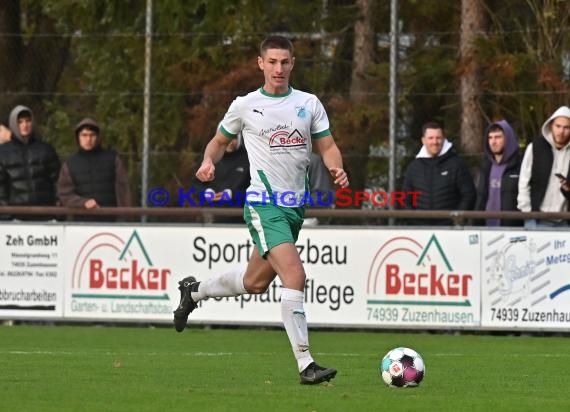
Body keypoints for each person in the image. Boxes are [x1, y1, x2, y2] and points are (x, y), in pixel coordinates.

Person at [173, 35, 348, 385]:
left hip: (295, 208)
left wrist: (335, 166)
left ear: (293, 64)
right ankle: (306, 364)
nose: (279, 68)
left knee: (253, 283)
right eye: (272, 62)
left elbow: (327, 145)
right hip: (264, 204)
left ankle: (194, 291)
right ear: (260, 63)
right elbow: (219, 141)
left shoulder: (308, 103)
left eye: (285, 62)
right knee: (295, 277)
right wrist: (208, 160)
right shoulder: (245, 105)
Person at [401, 121, 476, 225]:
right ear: (423, 140)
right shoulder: (413, 167)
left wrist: (456, 219)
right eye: (431, 138)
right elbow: (405, 199)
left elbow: (469, 195)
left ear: (443, 139)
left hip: (449, 230)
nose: (435, 142)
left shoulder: (457, 164)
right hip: (419, 230)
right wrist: (414, 221)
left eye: (438, 138)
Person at [57, 118, 132, 220]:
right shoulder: (70, 164)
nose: (88, 139)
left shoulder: (112, 159)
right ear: (78, 137)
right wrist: (83, 203)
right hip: (82, 222)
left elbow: (123, 190)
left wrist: (125, 217)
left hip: (111, 221)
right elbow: (64, 193)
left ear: (98, 137)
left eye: (92, 135)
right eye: (84, 135)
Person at [0, 105, 60, 220]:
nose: (25, 125)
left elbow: (57, 182)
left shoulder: (46, 150)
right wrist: (5, 215)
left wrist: (58, 212)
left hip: (46, 216)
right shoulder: (2, 153)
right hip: (16, 219)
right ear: (13, 124)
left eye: (28, 121)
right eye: (20, 122)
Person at [517, 106, 570, 228]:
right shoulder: (535, 147)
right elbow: (524, 182)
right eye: (558, 126)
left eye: (566, 127)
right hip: (536, 220)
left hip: (565, 222)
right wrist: (528, 213)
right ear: (551, 125)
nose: (561, 131)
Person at [189, 132, 249, 223]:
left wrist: (232, 194)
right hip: (211, 215)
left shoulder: (247, 159)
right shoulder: (209, 158)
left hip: (239, 216)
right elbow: (195, 184)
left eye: (234, 138)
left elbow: (255, 188)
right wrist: (206, 193)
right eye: (227, 138)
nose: (230, 142)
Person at [474, 120, 523, 226]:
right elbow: (481, 198)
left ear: (508, 139)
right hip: (487, 228)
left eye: (498, 137)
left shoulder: (521, 165)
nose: (493, 141)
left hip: (512, 229)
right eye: (490, 138)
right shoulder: (486, 165)